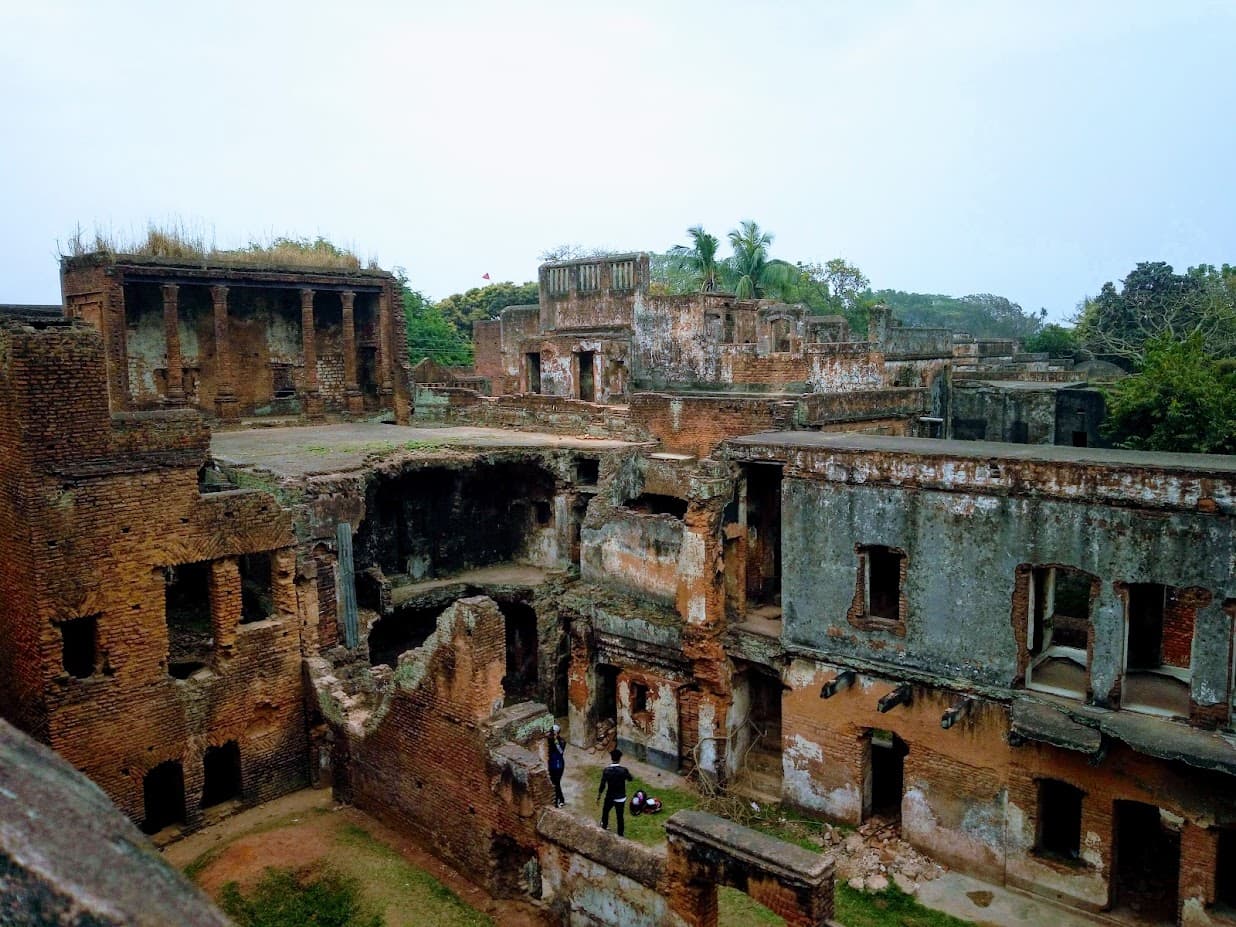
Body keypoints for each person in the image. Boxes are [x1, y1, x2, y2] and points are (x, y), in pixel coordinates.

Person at [597, 748, 634, 836]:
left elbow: (602, 785)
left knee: (605, 811)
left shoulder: (606, 770)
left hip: (610, 796)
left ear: (611, 758)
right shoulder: (623, 770)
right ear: (619, 759)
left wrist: (599, 795)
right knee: (620, 816)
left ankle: (604, 826)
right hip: (621, 797)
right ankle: (620, 834)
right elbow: (630, 779)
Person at [547, 723, 566, 807]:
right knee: (554, 783)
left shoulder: (561, 741)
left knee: (556, 783)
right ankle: (560, 799)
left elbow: (561, 751)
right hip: (551, 765)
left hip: (558, 765)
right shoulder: (549, 740)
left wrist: (555, 740)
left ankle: (558, 801)